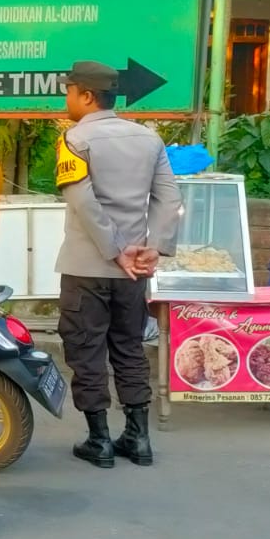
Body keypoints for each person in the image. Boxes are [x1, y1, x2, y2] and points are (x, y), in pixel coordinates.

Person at [54, 60, 181, 469]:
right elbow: (169, 198)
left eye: (69, 91)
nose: (66, 99)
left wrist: (114, 249)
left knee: (86, 350)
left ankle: (100, 441)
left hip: (87, 269)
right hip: (134, 272)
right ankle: (138, 438)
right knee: (129, 348)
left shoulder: (75, 139)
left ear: (87, 95)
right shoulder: (148, 139)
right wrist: (153, 247)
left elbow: (83, 201)